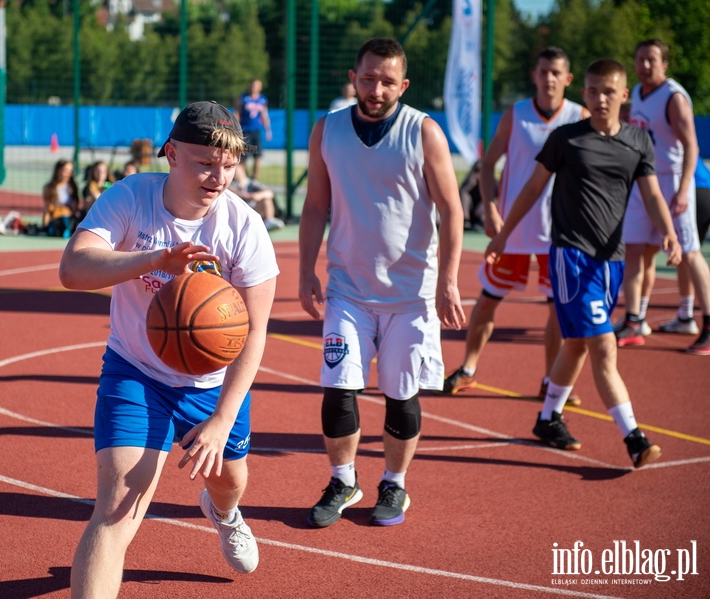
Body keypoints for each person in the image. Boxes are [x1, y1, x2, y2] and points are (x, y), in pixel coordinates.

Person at [60, 100, 278, 598]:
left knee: (229, 481)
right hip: (136, 371)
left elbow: (255, 332)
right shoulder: (131, 197)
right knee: (116, 506)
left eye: (229, 164)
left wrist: (222, 420)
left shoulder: (244, 228)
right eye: (205, 161)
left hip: (212, 381)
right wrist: (155, 258)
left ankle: (223, 512)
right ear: (171, 153)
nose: (218, 176)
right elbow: (73, 269)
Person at [298, 38, 465, 528]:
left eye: (387, 80)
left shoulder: (424, 132)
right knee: (338, 388)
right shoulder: (327, 130)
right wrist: (307, 269)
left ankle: (394, 485)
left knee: (400, 394)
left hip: (411, 295)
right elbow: (314, 206)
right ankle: (343, 479)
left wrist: (449, 281)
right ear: (354, 76)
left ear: (404, 84)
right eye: (368, 78)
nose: (376, 88)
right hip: (348, 289)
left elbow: (452, 210)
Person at [484, 58, 682, 468]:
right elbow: (532, 188)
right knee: (603, 345)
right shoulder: (566, 138)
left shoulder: (638, 142)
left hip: (610, 260)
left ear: (624, 95)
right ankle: (634, 437)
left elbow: (651, 196)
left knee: (576, 342)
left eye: (609, 91)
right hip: (570, 256)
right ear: (585, 94)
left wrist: (669, 231)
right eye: (592, 91)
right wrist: (503, 234)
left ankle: (548, 417)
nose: (600, 98)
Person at [441, 47, 588, 403]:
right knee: (489, 299)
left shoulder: (579, 116)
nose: (549, 78)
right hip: (513, 228)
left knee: (557, 308)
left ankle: (551, 380)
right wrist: (490, 207)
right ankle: (469, 369)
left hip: (559, 232)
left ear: (568, 79)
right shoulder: (517, 114)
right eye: (543, 71)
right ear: (534, 75)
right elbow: (488, 163)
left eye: (556, 72)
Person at [615, 39, 710, 355]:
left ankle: (707, 323)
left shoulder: (673, 97)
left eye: (651, 60)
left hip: (671, 184)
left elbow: (692, 146)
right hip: (645, 183)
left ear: (664, 64)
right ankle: (634, 320)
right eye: (639, 59)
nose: (643, 65)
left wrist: (684, 190)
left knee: (690, 251)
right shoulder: (639, 94)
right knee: (635, 250)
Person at [234, 79, 272, 180]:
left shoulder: (263, 99)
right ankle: (243, 179)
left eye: (256, 85)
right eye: (252, 85)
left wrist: (268, 130)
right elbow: (237, 113)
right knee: (243, 156)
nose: (254, 87)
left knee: (257, 155)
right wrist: (235, 128)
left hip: (256, 131)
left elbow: (264, 115)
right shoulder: (243, 98)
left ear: (260, 87)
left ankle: (254, 179)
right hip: (245, 131)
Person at [229, 162, 284, 231]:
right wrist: (241, 193)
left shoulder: (252, 183)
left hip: (253, 209)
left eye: (235, 168)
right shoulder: (231, 183)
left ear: (242, 167)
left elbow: (269, 193)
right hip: (239, 213)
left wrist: (256, 196)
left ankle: (269, 220)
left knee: (266, 199)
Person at [42, 159, 79, 237]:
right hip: (55, 218)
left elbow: (75, 208)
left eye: (70, 171)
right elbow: (48, 208)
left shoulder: (72, 187)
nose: (68, 174)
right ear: (57, 171)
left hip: (69, 218)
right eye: (65, 170)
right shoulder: (49, 187)